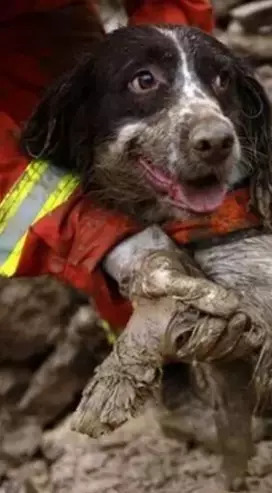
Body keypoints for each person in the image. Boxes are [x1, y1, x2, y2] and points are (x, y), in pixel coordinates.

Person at [0, 0, 239, 331]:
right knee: (94, 220)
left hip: (46, 17)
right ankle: (150, 358)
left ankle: (179, 337)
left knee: (110, 153)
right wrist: (102, 240)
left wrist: (168, 61)